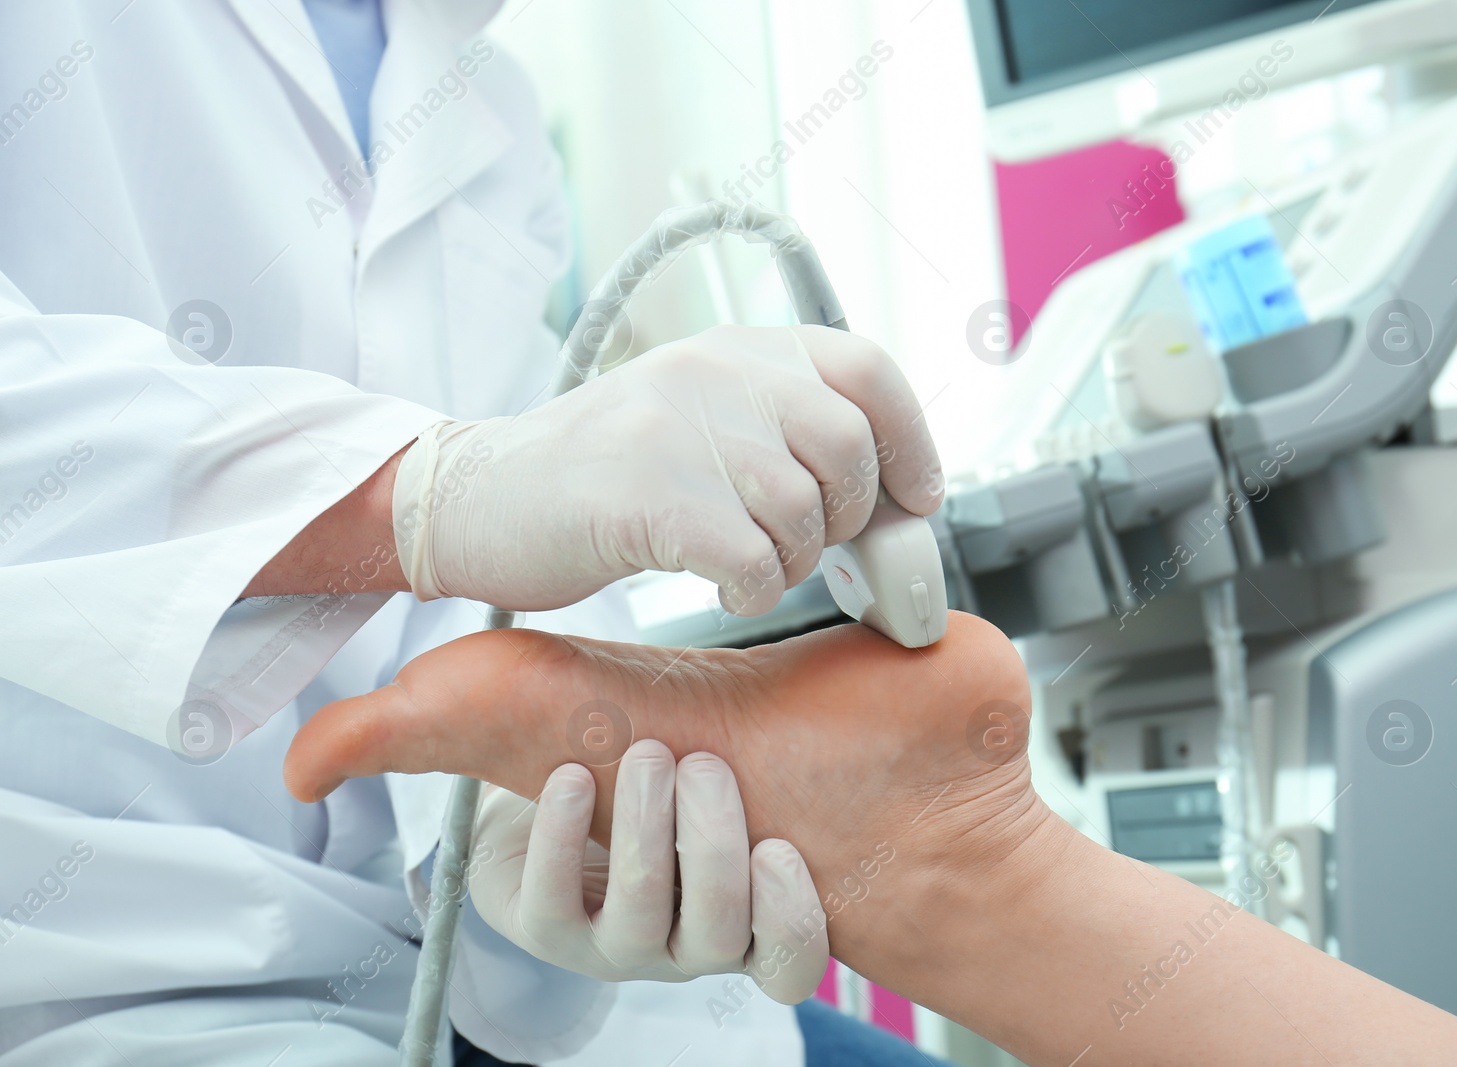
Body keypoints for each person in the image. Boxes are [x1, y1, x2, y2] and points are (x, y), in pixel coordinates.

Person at [0, 2, 945, 1064]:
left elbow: (508, 549)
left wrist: (512, 795)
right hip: (110, 977)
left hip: (498, 985)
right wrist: (427, 494)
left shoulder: (485, 106)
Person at [285, 610, 1457, 1067]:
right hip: (191, 974)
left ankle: (967, 874)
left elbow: (496, 501)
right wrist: (417, 494)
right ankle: (971, 875)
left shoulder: (490, 103)